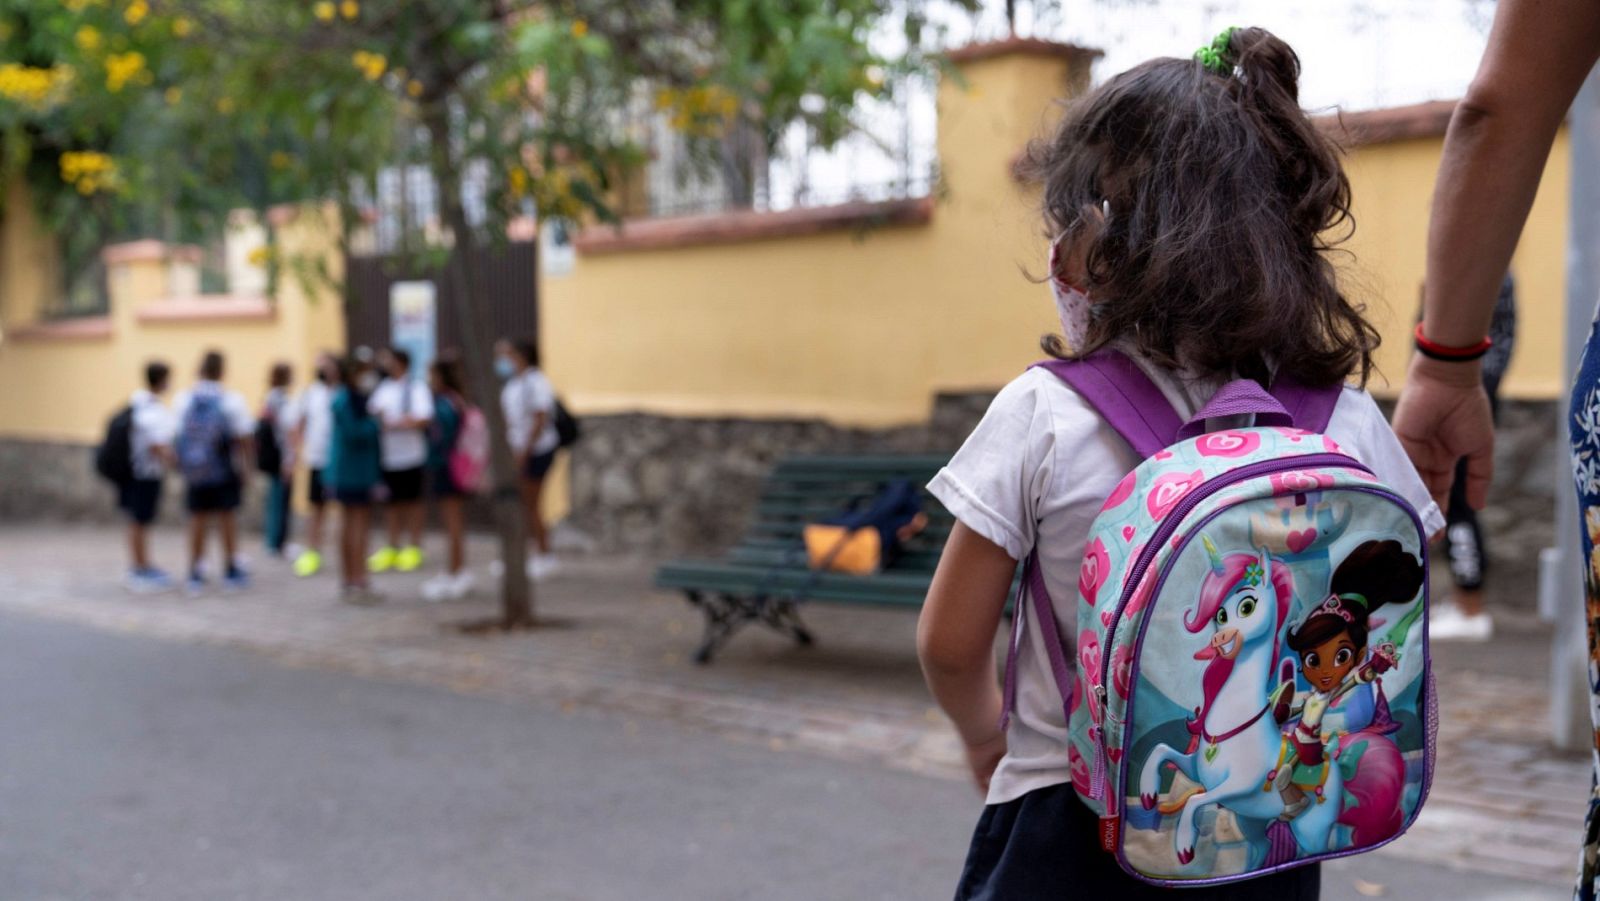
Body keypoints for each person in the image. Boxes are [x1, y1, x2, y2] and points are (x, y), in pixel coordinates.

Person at [915, 28, 1444, 899]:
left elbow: (949, 640)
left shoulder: (1044, 414)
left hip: (1066, 823)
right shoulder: (1344, 422)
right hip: (1269, 840)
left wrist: (986, 735)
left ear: (1091, 248)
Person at [1385, 3, 1600, 894]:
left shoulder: (1487, 285)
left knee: (1464, 509)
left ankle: (1468, 601)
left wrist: (1443, 362)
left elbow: (1502, 103)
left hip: (1477, 387)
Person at [1432, 277, 1516, 642]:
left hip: (1466, 401)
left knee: (1462, 506)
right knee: (1458, 505)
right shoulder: (1489, 271)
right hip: (1470, 395)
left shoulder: (1483, 271)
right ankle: (1464, 602)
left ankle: (1470, 609)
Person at [171, 349, 255, 595]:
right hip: (223, 468)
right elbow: (244, 437)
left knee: (197, 518)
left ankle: (195, 571)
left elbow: (176, 435)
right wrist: (247, 468)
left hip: (195, 470)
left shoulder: (184, 399)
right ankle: (230, 568)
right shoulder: (231, 400)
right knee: (226, 517)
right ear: (222, 371)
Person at [496, 337, 561, 580]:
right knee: (522, 505)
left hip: (536, 451)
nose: (503, 361)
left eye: (507, 355)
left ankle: (544, 554)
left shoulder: (536, 382)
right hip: (518, 451)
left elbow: (540, 418)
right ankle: (523, 555)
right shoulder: (514, 384)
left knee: (531, 504)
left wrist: (525, 451)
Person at [366, 348, 432, 574]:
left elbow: (424, 418)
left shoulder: (416, 387)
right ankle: (392, 545)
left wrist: (399, 423)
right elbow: (372, 414)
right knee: (391, 503)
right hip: (388, 456)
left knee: (412, 502)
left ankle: (414, 546)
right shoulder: (383, 388)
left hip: (411, 456)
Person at [326, 353, 383, 604]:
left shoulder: (351, 398)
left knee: (354, 524)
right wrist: (375, 423)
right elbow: (354, 432)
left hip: (354, 470)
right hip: (351, 471)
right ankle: (355, 577)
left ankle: (354, 577)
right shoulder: (346, 400)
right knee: (355, 525)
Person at [421, 357, 474, 601]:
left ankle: (457, 571)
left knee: (452, 522)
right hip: (453, 465)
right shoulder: (456, 400)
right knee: (453, 522)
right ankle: (454, 569)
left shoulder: (444, 403)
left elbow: (442, 436)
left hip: (447, 466)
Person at [121, 360, 176, 593]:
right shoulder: (149, 407)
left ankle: (142, 564)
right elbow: (155, 444)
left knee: (140, 520)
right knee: (139, 521)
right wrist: (173, 460)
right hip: (143, 472)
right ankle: (138, 568)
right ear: (161, 380)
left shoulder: (138, 402)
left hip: (139, 471)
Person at [290, 351, 340, 577]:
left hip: (340, 461)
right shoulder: (311, 393)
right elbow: (299, 424)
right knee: (316, 506)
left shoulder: (343, 392)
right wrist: (295, 453)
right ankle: (313, 550)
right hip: (318, 458)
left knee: (345, 507)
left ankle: (346, 552)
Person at [260, 361, 295, 558]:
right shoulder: (280, 399)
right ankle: (277, 543)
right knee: (280, 500)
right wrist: (288, 460)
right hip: (280, 456)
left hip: (273, 456)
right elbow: (284, 432)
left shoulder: (270, 397)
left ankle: (273, 541)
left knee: (275, 499)